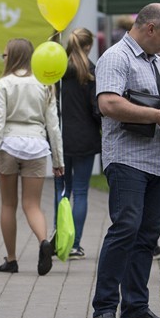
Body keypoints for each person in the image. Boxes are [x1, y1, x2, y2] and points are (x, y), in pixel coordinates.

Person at [91, 3, 160, 318]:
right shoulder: (116, 57)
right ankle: (104, 308)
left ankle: (135, 308)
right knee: (125, 228)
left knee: (146, 236)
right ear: (150, 29)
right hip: (127, 158)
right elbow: (108, 103)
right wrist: (159, 116)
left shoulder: (157, 62)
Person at [0, 39, 64, 276]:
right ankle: (43, 242)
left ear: (14, 57)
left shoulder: (3, 84)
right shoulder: (45, 84)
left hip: (8, 145)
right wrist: (59, 161)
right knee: (32, 205)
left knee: (8, 204)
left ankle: (11, 259)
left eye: (5, 54)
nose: (3, 58)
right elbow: (54, 126)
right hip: (37, 145)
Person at [54, 28, 101, 260]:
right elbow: (96, 109)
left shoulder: (58, 70)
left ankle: (59, 239)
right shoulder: (91, 71)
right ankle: (75, 244)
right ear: (89, 46)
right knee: (81, 191)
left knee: (62, 191)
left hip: (60, 138)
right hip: (85, 138)